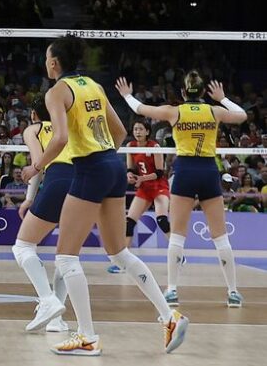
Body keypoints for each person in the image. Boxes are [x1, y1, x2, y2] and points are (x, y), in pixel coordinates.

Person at [35, 37, 186, 356]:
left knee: (65, 256)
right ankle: (169, 316)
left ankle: (87, 336)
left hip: (90, 169)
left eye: (47, 58)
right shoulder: (93, 84)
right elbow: (119, 132)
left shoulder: (57, 92)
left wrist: (36, 165)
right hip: (112, 165)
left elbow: (60, 137)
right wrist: (103, 160)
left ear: (53, 62)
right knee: (119, 253)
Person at [116, 72, 246, 308]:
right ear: (203, 93)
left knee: (177, 235)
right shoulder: (214, 111)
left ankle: (172, 290)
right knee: (220, 237)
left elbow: (142, 108)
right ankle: (233, 292)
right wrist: (223, 98)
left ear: (184, 93)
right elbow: (242, 116)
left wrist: (126, 95)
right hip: (208, 170)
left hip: (185, 171)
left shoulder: (174, 111)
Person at [11, 99, 72, 334]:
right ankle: (56, 320)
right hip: (85, 185)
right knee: (67, 255)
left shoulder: (33, 129)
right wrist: (29, 197)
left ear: (34, 114)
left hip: (58, 181)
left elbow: (38, 163)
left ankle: (47, 300)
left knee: (23, 246)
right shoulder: (68, 126)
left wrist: (28, 197)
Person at [106, 119, 171, 273]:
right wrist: (130, 175)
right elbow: (131, 168)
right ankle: (123, 263)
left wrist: (142, 178)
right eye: (135, 129)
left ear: (147, 132)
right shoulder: (130, 146)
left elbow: (160, 172)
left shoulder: (155, 146)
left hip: (159, 186)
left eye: (141, 129)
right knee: (129, 223)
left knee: (162, 221)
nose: (137, 132)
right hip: (144, 189)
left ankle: (178, 253)